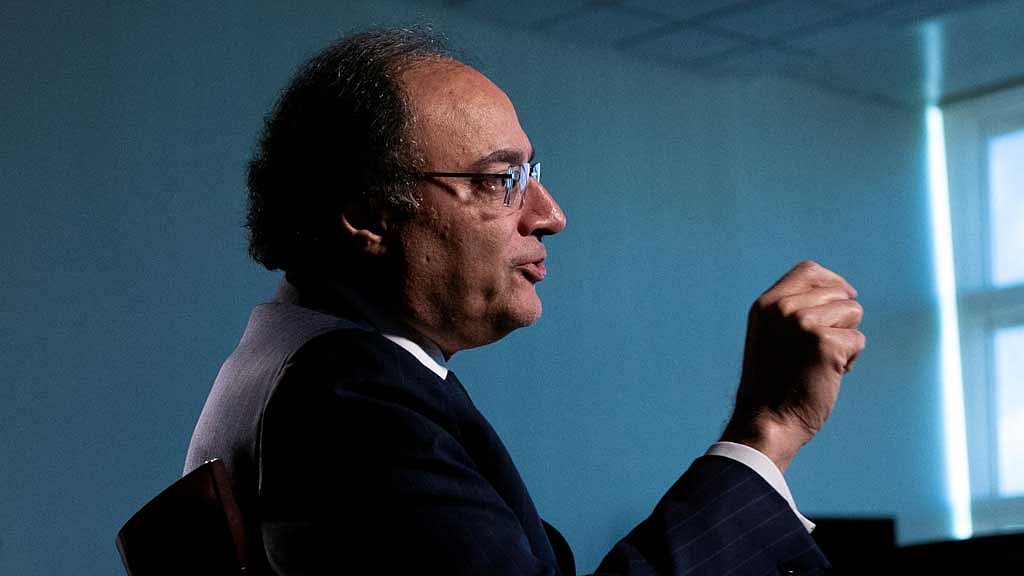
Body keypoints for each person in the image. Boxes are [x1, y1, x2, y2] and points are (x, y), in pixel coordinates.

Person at [185, 27, 865, 575]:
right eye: (499, 179)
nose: (549, 215)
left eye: (529, 173)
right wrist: (768, 429)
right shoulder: (350, 398)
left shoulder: (290, 361)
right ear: (367, 214)